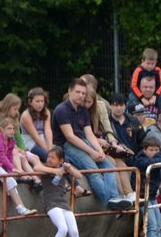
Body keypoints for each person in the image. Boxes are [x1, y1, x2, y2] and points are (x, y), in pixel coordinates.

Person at [51, 78, 127, 210]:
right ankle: (108, 202)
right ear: (70, 92)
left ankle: (114, 198)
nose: (81, 95)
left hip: (83, 141)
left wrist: (99, 150)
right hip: (67, 146)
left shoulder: (82, 111)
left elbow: (89, 133)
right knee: (93, 170)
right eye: (77, 92)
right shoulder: (62, 110)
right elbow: (70, 137)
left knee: (109, 167)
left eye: (83, 93)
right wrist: (91, 152)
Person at [33, 145, 84, 237]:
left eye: (53, 158)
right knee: (63, 228)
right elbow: (36, 167)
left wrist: (68, 168)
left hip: (63, 204)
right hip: (51, 204)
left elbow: (79, 176)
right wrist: (54, 171)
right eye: (48, 156)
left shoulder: (63, 169)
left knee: (74, 231)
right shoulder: (46, 168)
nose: (49, 159)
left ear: (60, 160)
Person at [0, 117, 37, 216]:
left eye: (13, 129)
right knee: (10, 180)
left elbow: (9, 156)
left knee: (11, 180)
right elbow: (2, 157)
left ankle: (21, 207)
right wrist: (13, 169)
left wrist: (10, 170)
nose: (12, 131)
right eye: (9, 128)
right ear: (2, 129)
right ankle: (21, 209)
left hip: (0, 165)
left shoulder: (11, 141)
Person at [20, 87, 53, 162]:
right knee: (48, 157)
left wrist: (50, 146)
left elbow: (48, 130)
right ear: (30, 102)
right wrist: (48, 151)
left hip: (43, 139)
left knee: (60, 154)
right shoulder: (26, 115)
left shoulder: (46, 112)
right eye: (37, 101)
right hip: (30, 142)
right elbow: (35, 137)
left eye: (42, 101)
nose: (40, 104)